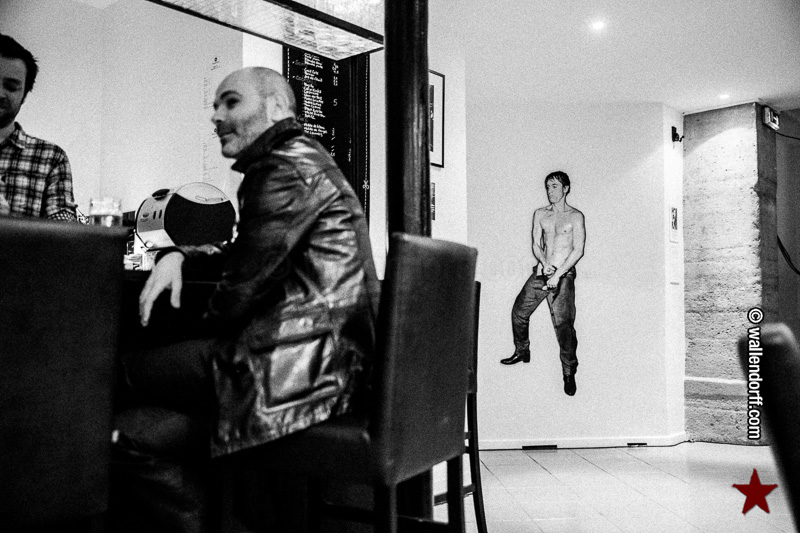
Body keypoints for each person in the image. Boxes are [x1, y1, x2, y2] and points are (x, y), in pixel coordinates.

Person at [110, 66, 379, 531]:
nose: (216, 115)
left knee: (115, 370)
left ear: (275, 107)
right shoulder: (303, 158)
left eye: (231, 102)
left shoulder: (280, 167)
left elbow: (238, 294)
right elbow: (247, 253)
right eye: (215, 105)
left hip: (295, 366)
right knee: (135, 428)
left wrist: (176, 319)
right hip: (326, 363)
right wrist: (179, 254)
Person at [501, 171, 585, 396]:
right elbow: (536, 244)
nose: (550, 191)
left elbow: (578, 250)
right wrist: (544, 263)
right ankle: (522, 350)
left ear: (566, 188)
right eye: (548, 187)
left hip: (563, 275)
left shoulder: (575, 216)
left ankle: (569, 370)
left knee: (563, 326)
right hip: (542, 272)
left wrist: (558, 274)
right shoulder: (540, 214)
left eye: (555, 186)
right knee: (519, 312)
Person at [0, 34, 77, 220]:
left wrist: (10, 223)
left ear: (24, 95)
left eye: (11, 86)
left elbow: (65, 232)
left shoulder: (52, 157)